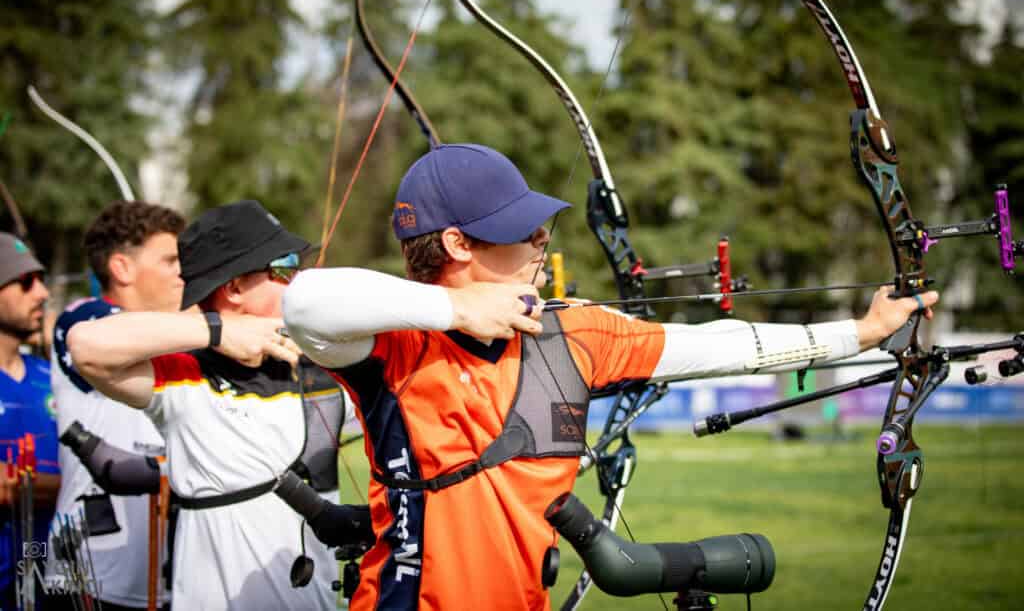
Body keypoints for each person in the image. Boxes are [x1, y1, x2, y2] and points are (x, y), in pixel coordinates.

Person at [281, 143, 940, 611]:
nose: (543, 239)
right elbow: (304, 300)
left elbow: (715, 344)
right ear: (459, 244)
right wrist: (456, 307)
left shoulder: (574, 333)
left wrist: (860, 333)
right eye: (523, 230)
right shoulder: (392, 343)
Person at [64, 200, 338, 610]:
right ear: (234, 289)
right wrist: (218, 331)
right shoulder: (185, 376)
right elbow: (85, 346)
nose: (297, 279)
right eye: (283, 267)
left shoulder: (323, 367)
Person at [47, 201, 185, 610]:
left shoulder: (176, 335)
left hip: (163, 584)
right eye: (171, 260)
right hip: (87, 582)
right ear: (122, 268)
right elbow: (117, 335)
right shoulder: (83, 320)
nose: (183, 273)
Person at [0, 233, 60, 609]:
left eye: (40, 280)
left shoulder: (50, 376)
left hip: (50, 583)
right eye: (24, 282)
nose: (41, 293)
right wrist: (75, 485)